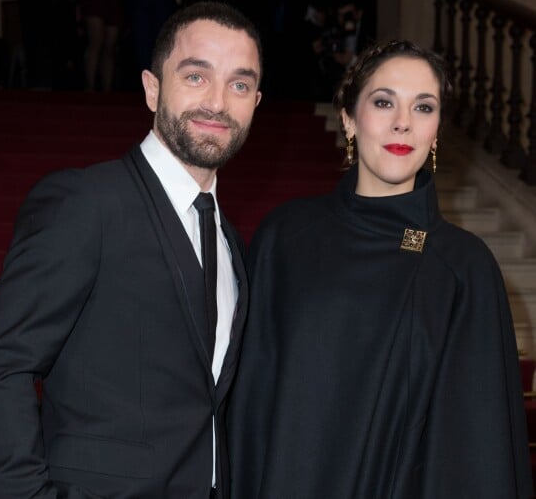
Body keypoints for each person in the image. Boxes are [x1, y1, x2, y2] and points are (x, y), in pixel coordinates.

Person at [0, 1, 263, 499]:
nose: (217, 101)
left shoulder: (230, 242)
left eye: (239, 84)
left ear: (255, 102)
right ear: (152, 89)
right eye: (196, 76)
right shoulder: (86, 203)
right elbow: (3, 366)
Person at [228, 40, 533, 498]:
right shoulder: (285, 237)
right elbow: (247, 408)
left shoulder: (461, 267)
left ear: (437, 129)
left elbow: (474, 453)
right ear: (349, 118)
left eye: (424, 107)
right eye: (384, 101)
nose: (403, 122)